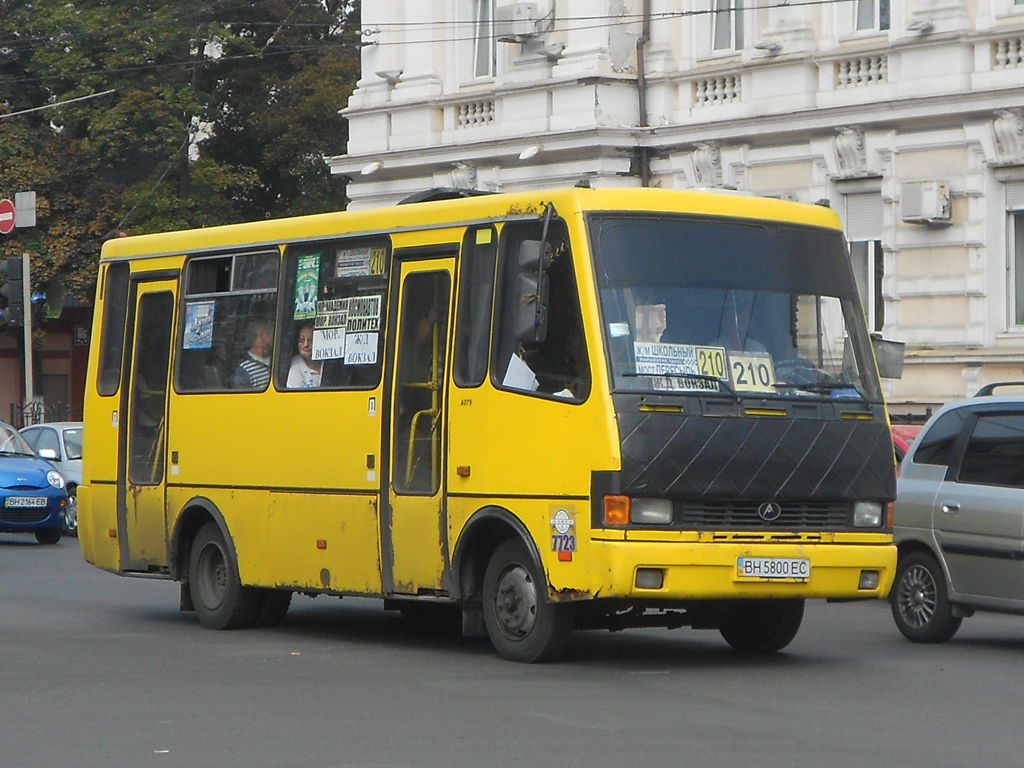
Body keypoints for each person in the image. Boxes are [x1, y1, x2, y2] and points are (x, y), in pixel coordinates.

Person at [234, 318, 273, 390]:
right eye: (271, 334)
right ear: (261, 335)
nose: (274, 338)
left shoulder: (277, 360)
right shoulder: (244, 371)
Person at [287, 323, 322, 388]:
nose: (306, 344)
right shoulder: (295, 365)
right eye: (302, 339)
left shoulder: (329, 363)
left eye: (311, 340)